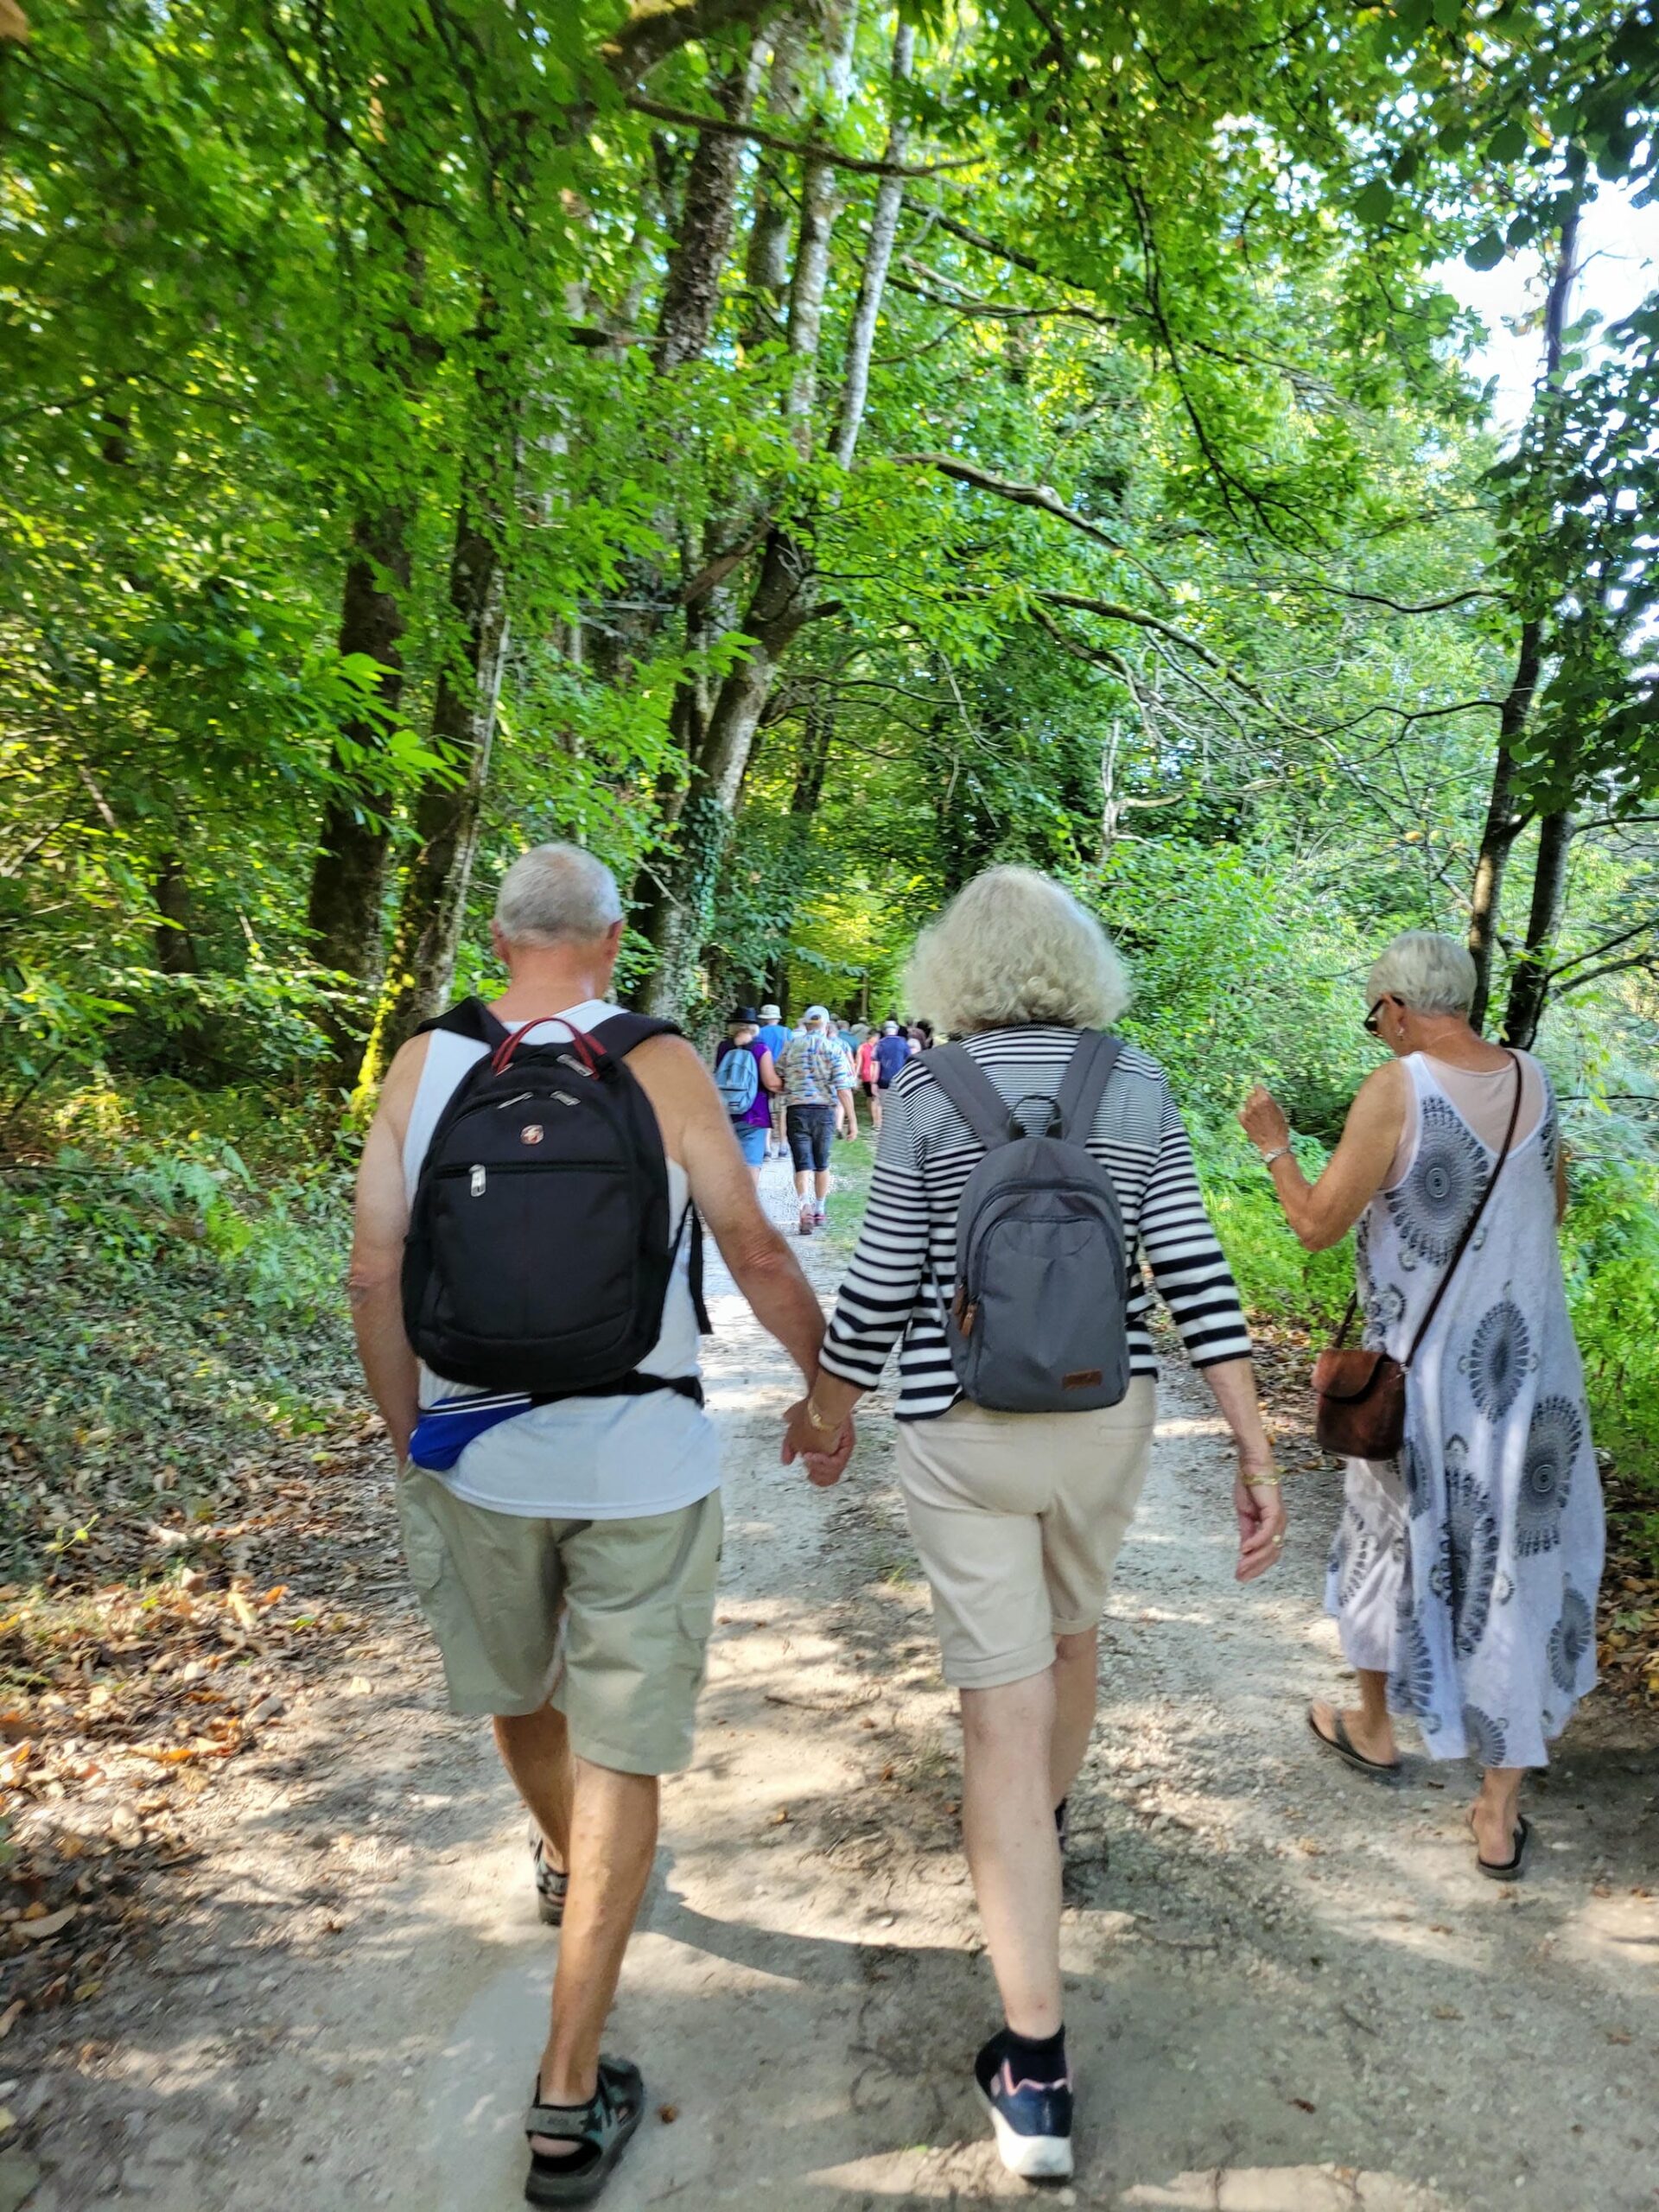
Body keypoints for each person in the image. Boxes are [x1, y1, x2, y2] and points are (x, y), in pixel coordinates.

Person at [348, 844, 850, 2203]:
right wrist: (825, 1390)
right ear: (614, 939)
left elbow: (377, 1267)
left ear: (502, 939)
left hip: (480, 1454)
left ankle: (572, 1863)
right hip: (643, 1457)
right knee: (626, 1745)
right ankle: (567, 2098)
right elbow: (753, 1246)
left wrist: (415, 1438)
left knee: (523, 1688)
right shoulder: (660, 1061)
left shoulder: (425, 1064)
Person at [786, 866, 1284, 2180]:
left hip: (962, 1433)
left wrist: (830, 1407)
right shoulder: (1135, 1080)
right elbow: (1188, 1259)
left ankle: (1036, 2064)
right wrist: (1250, 1434)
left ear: (954, 973)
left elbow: (886, 1273)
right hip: (1104, 1419)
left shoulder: (923, 1091)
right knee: (1073, 1642)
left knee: (993, 1714)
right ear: (1083, 967)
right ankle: (1040, 1830)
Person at [1240, 930, 1603, 1880]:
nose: (1380, 1032)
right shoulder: (1534, 1080)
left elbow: (1318, 1225)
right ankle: (1496, 1809)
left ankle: (1372, 1722)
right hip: (1530, 1376)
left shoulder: (1397, 1088)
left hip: (1428, 1382)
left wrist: (1275, 1146)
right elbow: (1548, 1207)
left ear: (1398, 1007)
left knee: (1383, 1535)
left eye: (1377, 1016)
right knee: (1518, 1564)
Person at [778, 1003, 857, 1237]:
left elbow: (778, 1074)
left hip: (797, 1110)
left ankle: (804, 1206)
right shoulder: (833, 1049)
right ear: (825, 1025)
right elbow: (843, 1088)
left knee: (802, 1163)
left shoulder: (791, 1046)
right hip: (823, 1111)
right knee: (822, 1163)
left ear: (806, 1023)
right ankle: (820, 1209)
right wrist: (851, 1121)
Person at [715, 1006, 782, 1184]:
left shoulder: (723, 1047)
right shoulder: (760, 1049)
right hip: (754, 1113)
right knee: (751, 1162)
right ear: (754, 1027)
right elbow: (771, 1082)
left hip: (726, 1111)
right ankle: (746, 1204)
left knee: (727, 1161)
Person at [754, 1001, 791, 1161]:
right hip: (783, 1075)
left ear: (763, 1018)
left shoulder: (758, 1033)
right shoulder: (786, 1032)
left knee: (766, 1109)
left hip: (763, 1073)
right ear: (777, 1018)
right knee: (783, 1110)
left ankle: (766, 1148)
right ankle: (783, 1146)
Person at [873, 1017, 910, 1123]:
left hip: (883, 1079)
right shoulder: (902, 1043)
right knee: (898, 1104)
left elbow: (876, 1064)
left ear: (885, 1031)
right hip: (900, 1079)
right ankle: (896, 1124)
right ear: (896, 1030)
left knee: (881, 1104)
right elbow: (909, 1060)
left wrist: (874, 1082)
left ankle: (879, 1125)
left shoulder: (880, 1044)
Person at [856, 1025, 883, 1128]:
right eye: (877, 1037)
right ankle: (876, 1121)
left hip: (865, 1075)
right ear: (874, 1037)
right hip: (875, 1075)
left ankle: (873, 1118)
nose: (878, 1039)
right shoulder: (878, 1048)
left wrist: (857, 1075)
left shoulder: (861, 1047)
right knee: (875, 1098)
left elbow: (859, 1062)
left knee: (869, 1097)